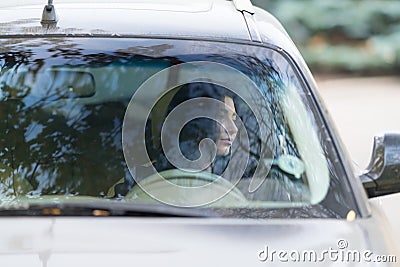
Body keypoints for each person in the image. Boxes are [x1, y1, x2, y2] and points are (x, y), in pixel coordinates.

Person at [151, 82, 239, 175]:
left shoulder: (232, 178)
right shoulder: (144, 177)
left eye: (234, 119)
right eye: (220, 116)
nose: (234, 129)